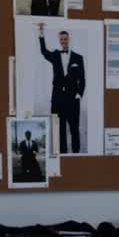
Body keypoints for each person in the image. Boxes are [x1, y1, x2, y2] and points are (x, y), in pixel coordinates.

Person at [37, 22, 84, 154]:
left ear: (69, 40)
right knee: (59, 129)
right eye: (61, 39)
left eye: (65, 39)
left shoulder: (78, 58)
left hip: (73, 100)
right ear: (59, 40)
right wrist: (41, 34)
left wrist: (79, 94)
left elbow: (83, 79)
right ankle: (62, 154)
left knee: (74, 128)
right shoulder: (55, 55)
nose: (63, 41)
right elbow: (43, 51)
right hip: (57, 99)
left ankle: (76, 154)